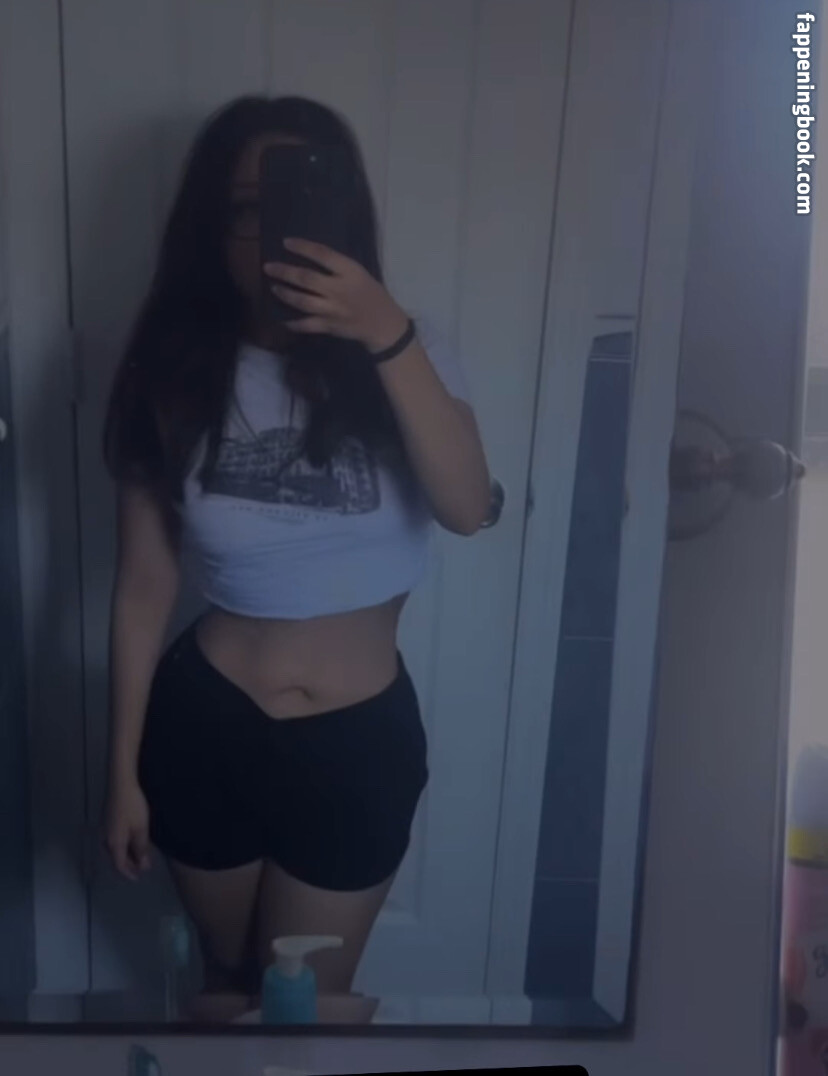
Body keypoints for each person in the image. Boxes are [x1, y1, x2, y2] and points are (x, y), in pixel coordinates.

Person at [101, 95, 491, 999]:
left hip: (358, 738)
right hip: (204, 723)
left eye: (297, 201)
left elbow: (468, 508)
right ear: (212, 226)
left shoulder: (415, 349)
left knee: (308, 1005)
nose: (270, 231)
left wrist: (384, 332)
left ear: (344, 212)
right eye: (246, 208)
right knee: (227, 987)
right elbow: (143, 587)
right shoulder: (172, 369)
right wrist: (119, 770)